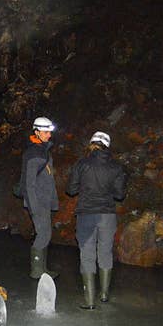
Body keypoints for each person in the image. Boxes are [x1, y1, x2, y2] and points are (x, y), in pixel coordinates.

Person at [66, 131, 127, 308]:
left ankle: (90, 300)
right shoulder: (116, 167)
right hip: (107, 215)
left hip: (86, 214)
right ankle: (104, 294)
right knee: (105, 253)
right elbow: (120, 194)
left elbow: (71, 189)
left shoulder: (82, 164)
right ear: (107, 146)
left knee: (87, 255)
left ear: (92, 143)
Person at [21, 116, 60, 279]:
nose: (49, 135)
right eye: (45, 132)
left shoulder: (43, 150)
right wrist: (34, 206)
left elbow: (47, 177)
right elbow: (28, 183)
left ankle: (42, 269)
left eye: (49, 132)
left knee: (46, 233)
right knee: (43, 234)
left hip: (45, 199)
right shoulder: (33, 152)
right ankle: (37, 270)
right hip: (37, 201)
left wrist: (53, 200)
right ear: (36, 132)